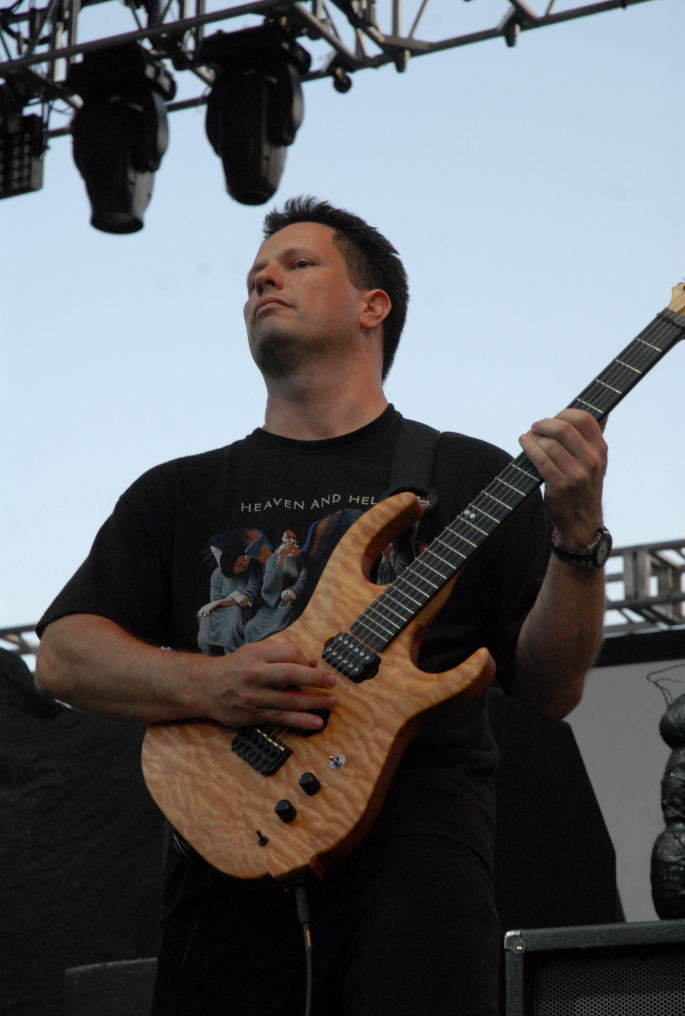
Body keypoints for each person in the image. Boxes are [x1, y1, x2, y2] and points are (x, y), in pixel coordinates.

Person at [35, 196, 608, 1016]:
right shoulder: (178, 492)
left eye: (297, 263)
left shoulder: (468, 474)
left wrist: (577, 540)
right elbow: (63, 657)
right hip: (223, 856)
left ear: (373, 306)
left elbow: (551, 688)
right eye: (254, 276)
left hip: (417, 864)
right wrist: (214, 684)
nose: (263, 280)